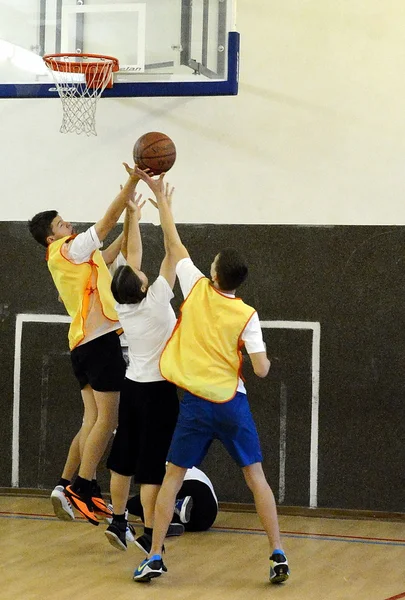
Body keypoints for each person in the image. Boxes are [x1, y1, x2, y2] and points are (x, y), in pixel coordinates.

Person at [132, 170, 289, 585]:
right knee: (256, 478)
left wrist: (161, 198)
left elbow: (173, 239)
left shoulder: (197, 288)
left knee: (171, 479)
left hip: (196, 406)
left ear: (215, 274)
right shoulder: (247, 315)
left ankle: (154, 555)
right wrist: (265, 361)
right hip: (232, 404)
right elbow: (260, 368)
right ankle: (277, 552)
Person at [27, 163, 141, 526]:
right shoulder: (67, 250)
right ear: (52, 237)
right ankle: (84, 484)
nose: (69, 225)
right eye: (62, 224)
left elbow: (107, 255)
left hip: (82, 345)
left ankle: (66, 485)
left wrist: (132, 219)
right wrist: (131, 185)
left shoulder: (74, 259)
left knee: (92, 418)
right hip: (98, 340)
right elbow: (104, 225)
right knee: (109, 418)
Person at [104, 177, 180, 555]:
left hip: (131, 385)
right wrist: (163, 206)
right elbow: (172, 251)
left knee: (123, 456)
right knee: (152, 464)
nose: (137, 267)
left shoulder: (124, 304)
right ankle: (151, 532)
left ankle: (118, 521)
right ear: (140, 286)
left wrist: (132, 215)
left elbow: (132, 257)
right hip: (157, 391)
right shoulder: (155, 302)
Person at [126, 466, 218, 534]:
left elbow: (140, 502)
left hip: (195, 491)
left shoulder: (158, 463)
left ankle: (175, 507)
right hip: (205, 520)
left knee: (148, 504)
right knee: (151, 511)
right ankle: (172, 514)